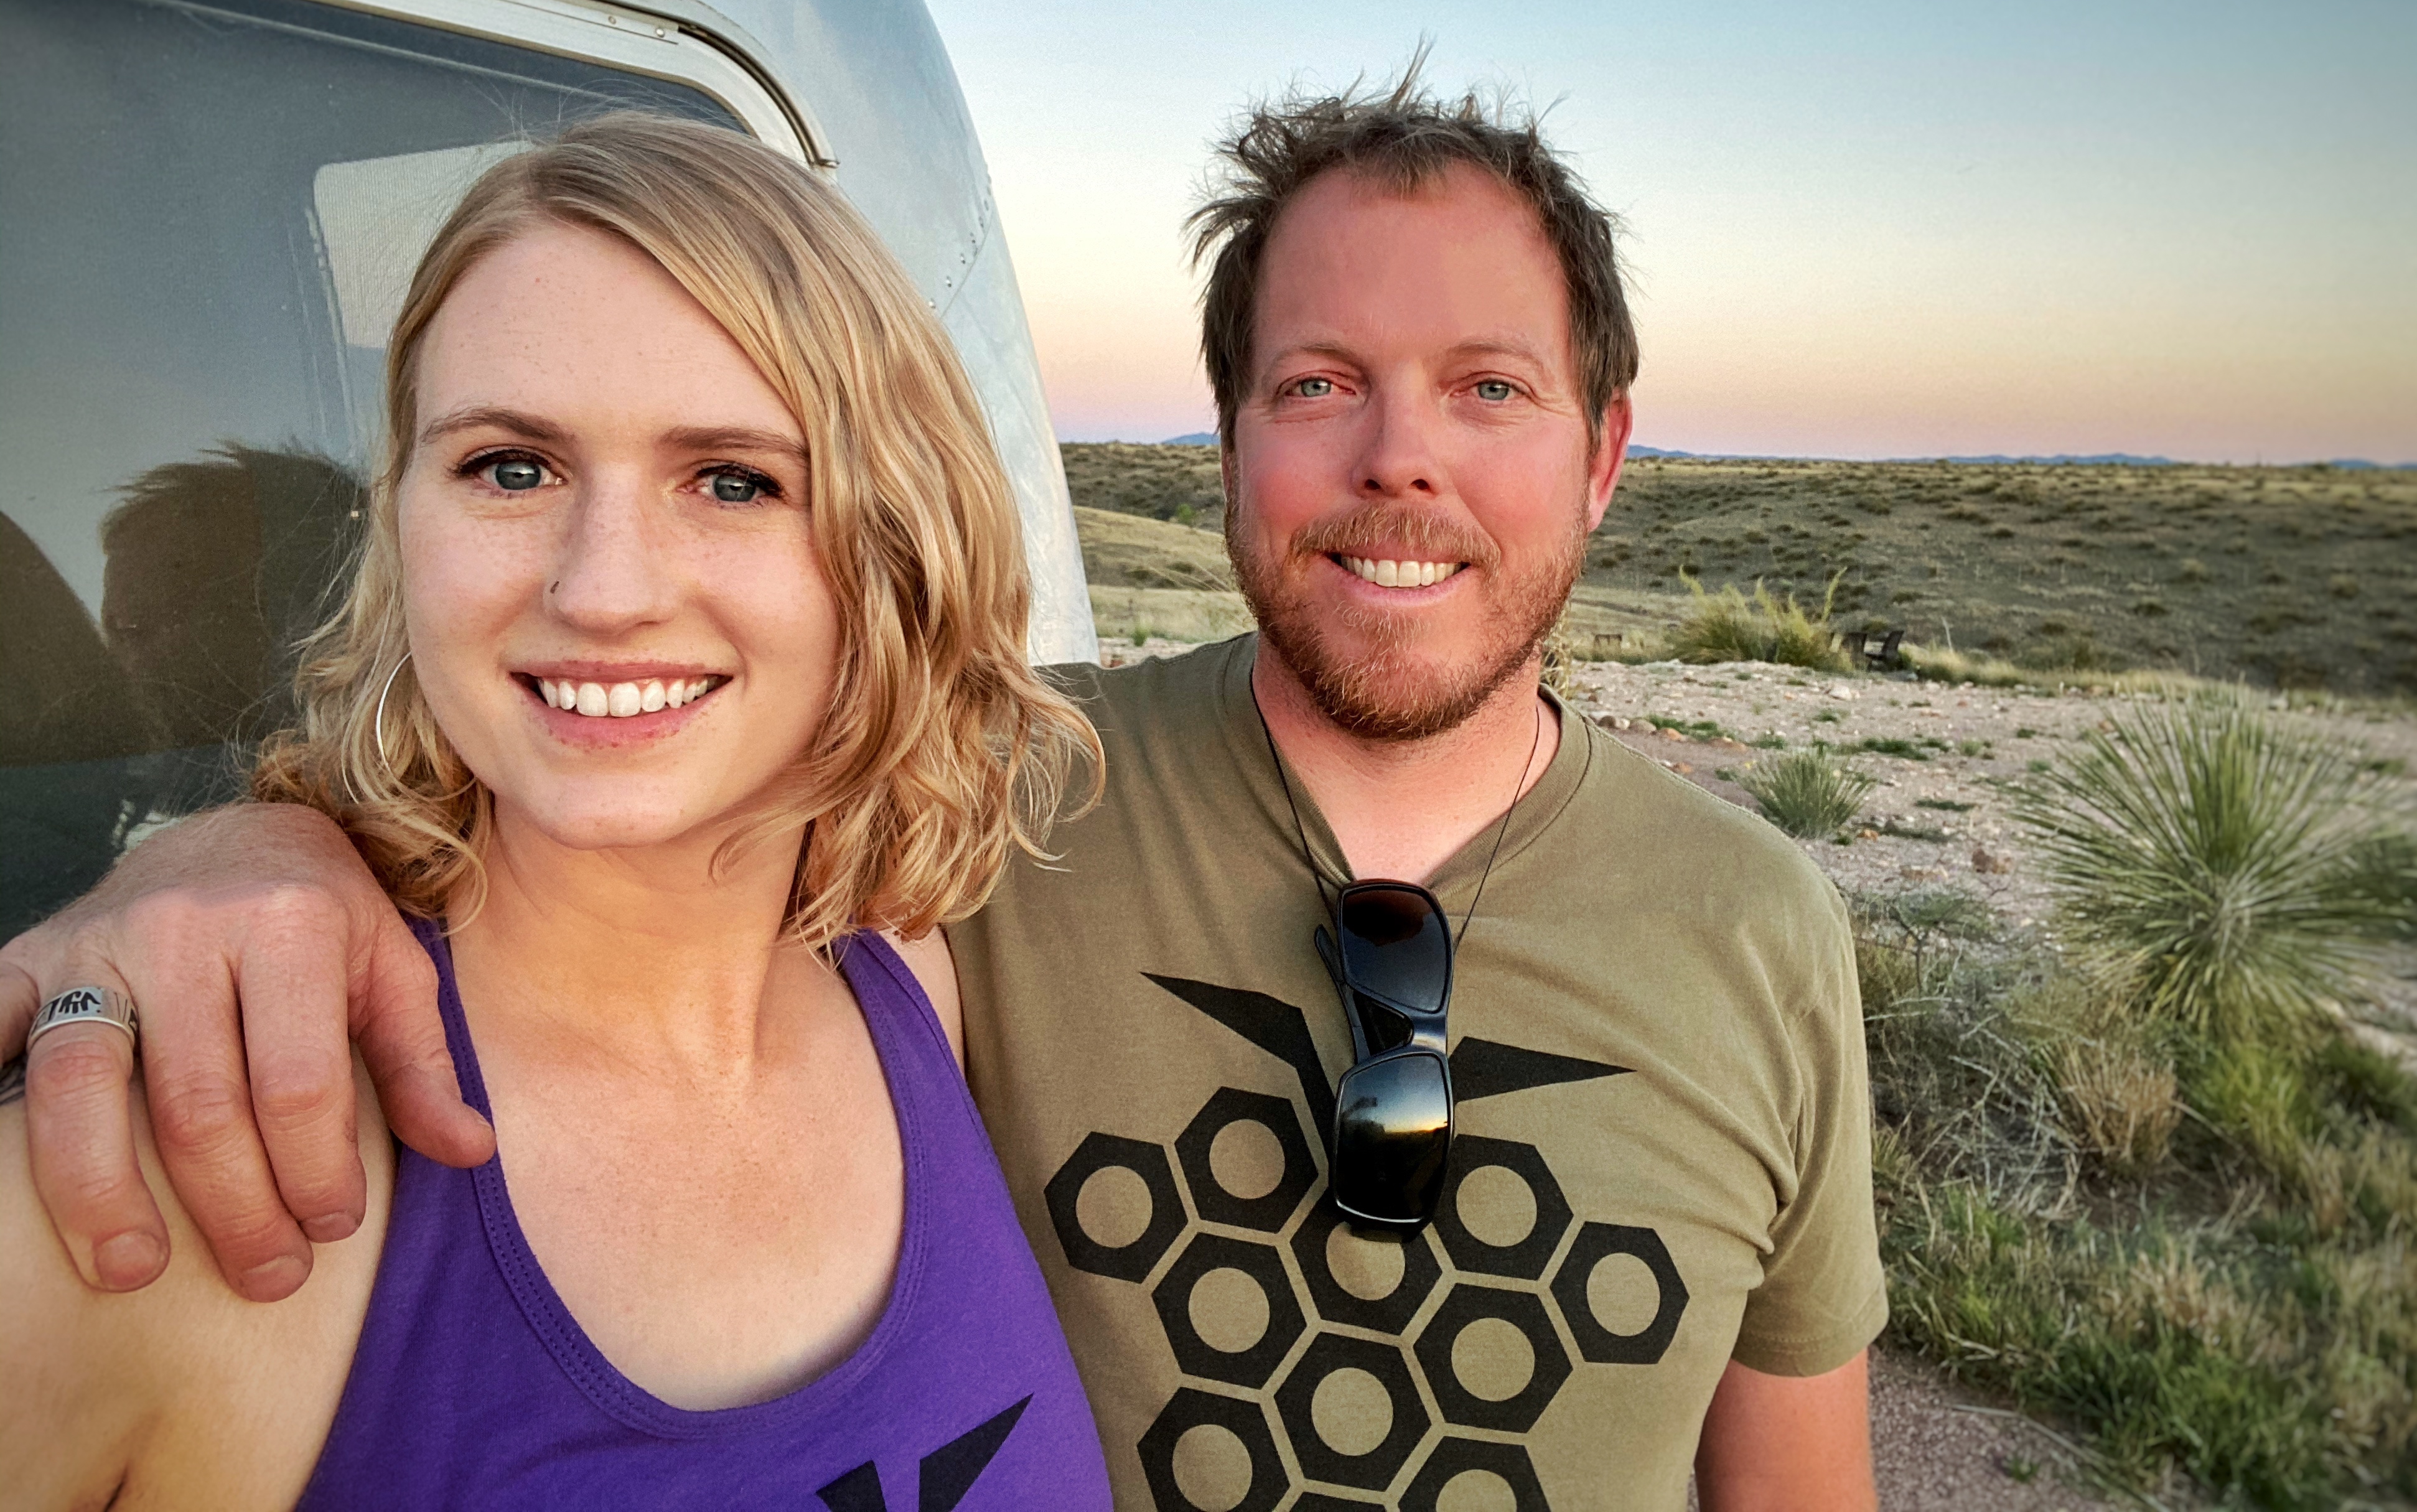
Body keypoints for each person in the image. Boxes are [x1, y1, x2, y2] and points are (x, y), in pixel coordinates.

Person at [7, 73, 1885, 1511]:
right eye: (1318, 382)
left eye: (1489, 387)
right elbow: (592, 796)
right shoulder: (997, 821)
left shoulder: (1756, 933)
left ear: (1606, 453)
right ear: (1225, 433)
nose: (602, 583)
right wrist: (218, 859)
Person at [0, 114, 1113, 1508]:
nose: (603, 590)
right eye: (510, 468)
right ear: (401, 523)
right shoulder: (179, 1185)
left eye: (732, 480)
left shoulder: (908, 981)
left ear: (895, 547)